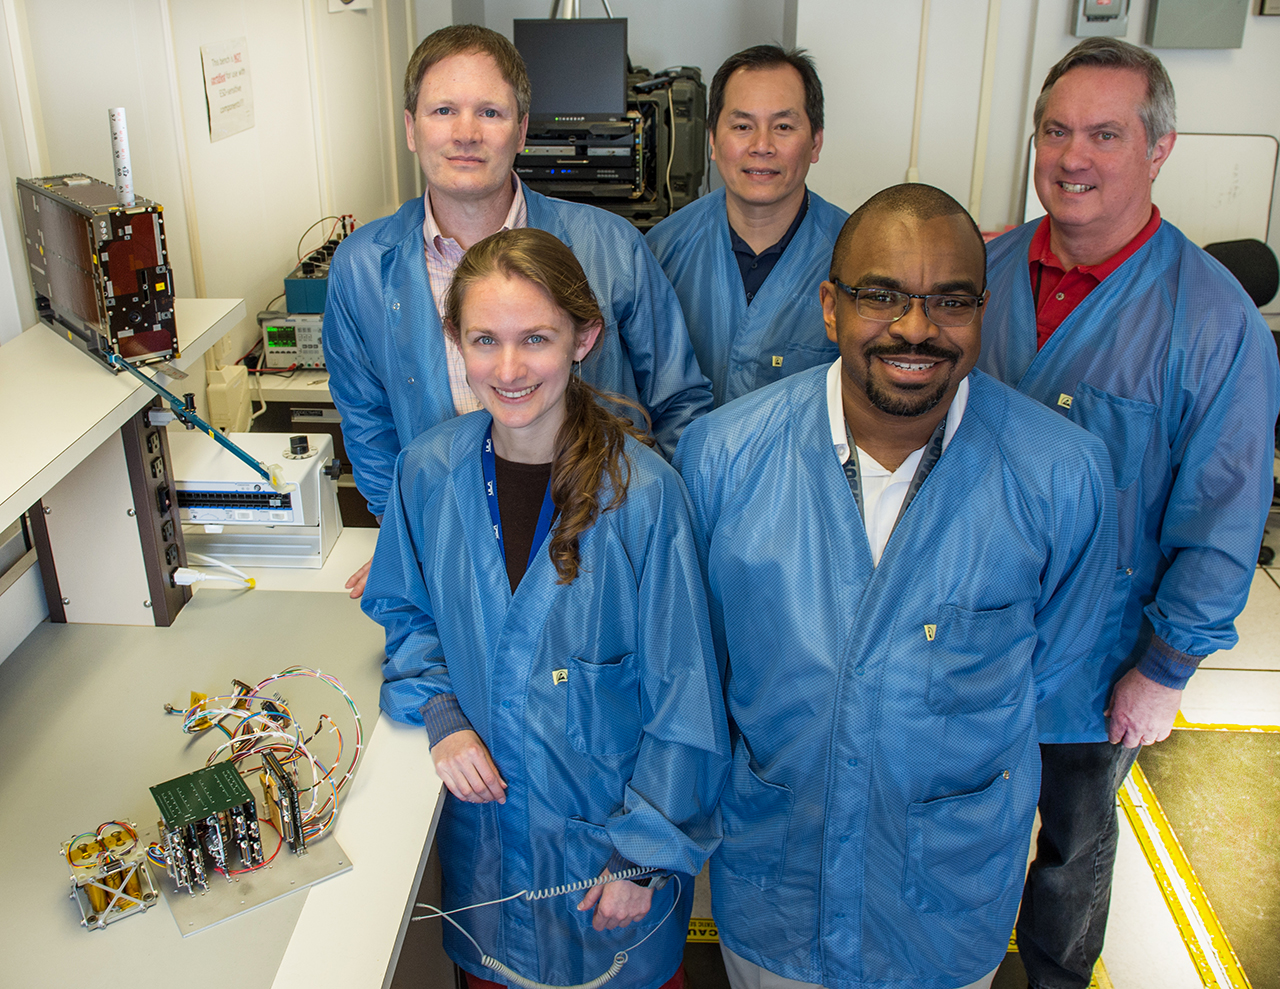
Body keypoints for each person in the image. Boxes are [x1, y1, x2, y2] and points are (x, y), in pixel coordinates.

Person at [674, 184, 1117, 989]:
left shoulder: (1061, 474)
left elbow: (1054, 682)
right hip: (777, 891)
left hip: (943, 907)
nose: (916, 328)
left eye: (949, 301)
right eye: (882, 295)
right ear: (830, 306)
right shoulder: (721, 457)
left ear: (984, 312)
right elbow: (696, 681)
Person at [976, 38, 1280, 989]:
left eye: (1105, 134)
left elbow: (1226, 515)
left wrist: (1167, 666)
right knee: (961, 823)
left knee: (1074, 843)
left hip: (1097, 651)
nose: (1074, 157)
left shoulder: (1213, 320)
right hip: (966, 624)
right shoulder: (977, 275)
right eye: (1057, 131)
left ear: (1159, 149)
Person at [363, 228, 729, 989]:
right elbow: (405, 614)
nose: (508, 367)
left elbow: (685, 700)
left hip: (610, 874)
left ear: (583, 338)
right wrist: (441, 712)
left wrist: (643, 854)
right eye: (484, 339)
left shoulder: (645, 495)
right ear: (454, 344)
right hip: (490, 862)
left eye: (536, 338)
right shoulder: (426, 473)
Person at [326, 24, 713, 596]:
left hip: (599, 542)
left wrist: (654, 541)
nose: (465, 134)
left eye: (490, 112)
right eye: (442, 111)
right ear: (411, 128)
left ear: (523, 130)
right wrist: (404, 539)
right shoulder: (361, 267)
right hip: (448, 551)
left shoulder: (610, 246)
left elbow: (679, 403)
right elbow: (367, 420)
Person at [647, 45, 846, 407]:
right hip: (679, 463)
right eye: (742, 126)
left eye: (783, 126)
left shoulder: (855, 256)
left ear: (816, 142)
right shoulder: (660, 253)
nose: (761, 146)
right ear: (711, 139)